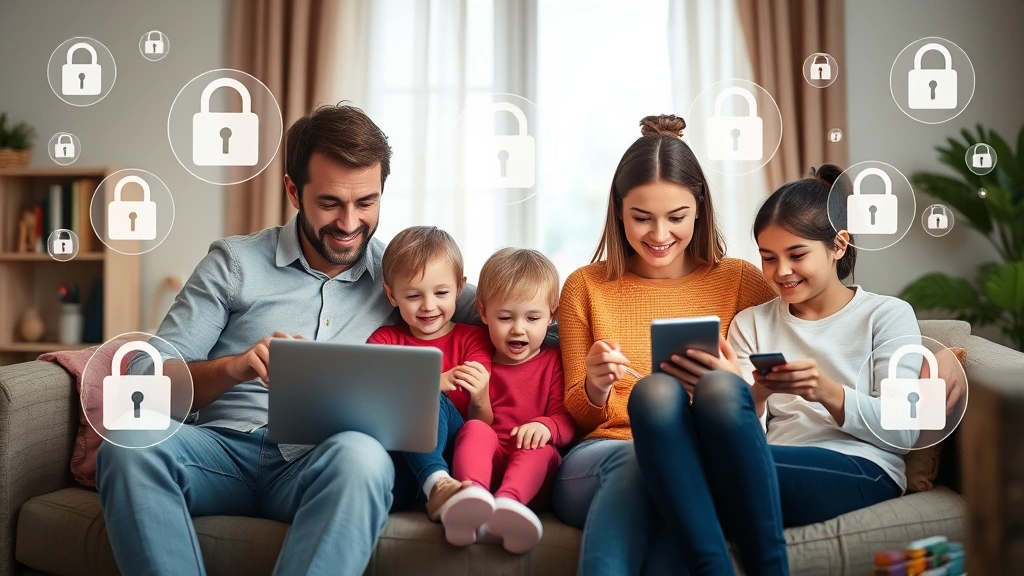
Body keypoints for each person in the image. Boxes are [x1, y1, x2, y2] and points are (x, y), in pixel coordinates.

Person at [95, 104, 479, 576]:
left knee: (363, 456)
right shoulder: (234, 264)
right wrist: (235, 367)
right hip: (221, 450)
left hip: (321, 463)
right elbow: (140, 386)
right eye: (331, 203)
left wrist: (585, 328)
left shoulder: (403, 275)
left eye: (366, 202)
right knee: (130, 440)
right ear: (294, 191)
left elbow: (510, 313)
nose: (349, 223)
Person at [626, 165, 927, 575]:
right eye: (769, 258)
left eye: (796, 254)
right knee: (656, 393)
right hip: (763, 459)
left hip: (860, 467)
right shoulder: (753, 322)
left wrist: (826, 390)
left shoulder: (887, 315)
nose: (781, 271)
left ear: (839, 245)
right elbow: (750, 437)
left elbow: (903, 433)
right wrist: (753, 395)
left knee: (676, 476)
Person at [551, 114, 777, 576]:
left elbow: (810, 329)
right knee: (642, 461)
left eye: (676, 218)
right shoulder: (585, 286)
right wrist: (595, 388)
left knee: (676, 495)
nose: (659, 235)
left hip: (695, 457)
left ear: (699, 208)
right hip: (603, 457)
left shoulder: (739, 281)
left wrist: (740, 384)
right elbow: (578, 413)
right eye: (641, 218)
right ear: (617, 210)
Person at [444, 248, 576, 553]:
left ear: (552, 315)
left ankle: (509, 506)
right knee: (474, 430)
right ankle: (470, 499)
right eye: (505, 317)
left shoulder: (554, 362)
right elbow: (461, 425)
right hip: (485, 466)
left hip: (533, 477)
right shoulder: (476, 361)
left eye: (533, 317)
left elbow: (568, 419)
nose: (519, 328)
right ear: (483, 312)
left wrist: (546, 426)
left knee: (538, 448)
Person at [366, 225, 493, 524]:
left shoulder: (474, 340)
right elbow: (371, 404)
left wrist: (480, 396)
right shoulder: (384, 341)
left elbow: (481, 427)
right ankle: (432, 490)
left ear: (460, 288)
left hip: (451, 457)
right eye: (413, 295)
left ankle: (440, 484)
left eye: (441, 293)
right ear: (392, 295)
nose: (428, 306)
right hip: (399, 463)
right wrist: (435, 381)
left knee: (424, 396)